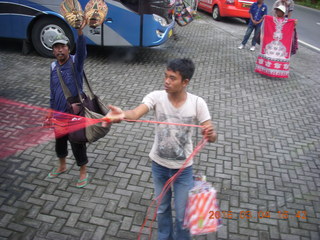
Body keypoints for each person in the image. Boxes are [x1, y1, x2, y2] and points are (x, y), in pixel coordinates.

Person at [105, 58, 217, 239]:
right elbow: (135, 114)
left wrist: (211, 134)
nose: (166, 81)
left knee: (182, 216)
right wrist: (123, 114)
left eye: (172, 78)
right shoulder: (156, 97)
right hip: (159, 166)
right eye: (165, 76)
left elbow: (211, 135)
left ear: (185, 82)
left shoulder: (198, 103)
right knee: (162, 209)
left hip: (183, 170)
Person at [46, 20, 89, 188]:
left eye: (62, 46)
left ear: (68, 48)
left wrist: (80, 33)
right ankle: (62, 165)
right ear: (53, 51)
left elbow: (82, 52)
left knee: (78, 143)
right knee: (60, 141)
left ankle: (83, 171)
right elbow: (52, 89)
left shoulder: (75, 64)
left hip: (75, 113)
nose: (59, 50)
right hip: (58, 113)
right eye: (56, 47)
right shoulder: (53, 66)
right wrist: (50, 110)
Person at [255, 5, 297, 78]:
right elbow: (267, 19)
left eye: (279, 11)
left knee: (279, 54)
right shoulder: (272, 19)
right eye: (277, 10)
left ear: (283, 13)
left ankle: (276, 72)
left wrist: (294, 23)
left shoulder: (286, 21)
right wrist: (265, 17)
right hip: (272, 41)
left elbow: (292, 25)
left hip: (280, 42)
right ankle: (265, 70)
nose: (278, 12)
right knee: (268, 53)